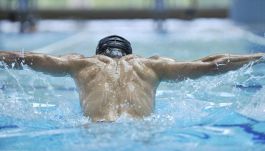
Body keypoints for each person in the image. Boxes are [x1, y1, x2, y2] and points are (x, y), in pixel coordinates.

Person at [0, 35, 264, 122]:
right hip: (143, 133)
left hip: (95, 134)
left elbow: (29, 58)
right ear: (130, 53)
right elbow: (210, 64)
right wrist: (259, 57)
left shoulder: (79, 64)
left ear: (98, 53)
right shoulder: (152, 65)